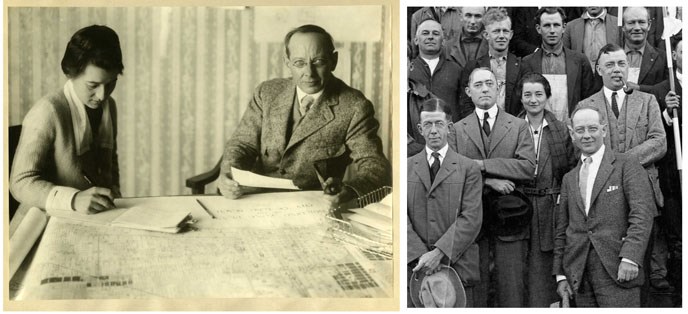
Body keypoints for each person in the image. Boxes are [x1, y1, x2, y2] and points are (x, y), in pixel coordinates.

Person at [219, 24, 390, 206]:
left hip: (313, 204)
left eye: (318, 62)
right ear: (287, 63)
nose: (309, 73)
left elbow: (375, 167)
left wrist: (347, 191)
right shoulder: (267, 92)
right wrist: (228, 175)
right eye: (299, 63)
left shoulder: (355, 106)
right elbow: (242, 144)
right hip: (254, 198)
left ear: (333, 61)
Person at [10, 25, 123, 221]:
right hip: (43, 220)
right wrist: (74, 199)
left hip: (93, 217)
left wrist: (116, 197)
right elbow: (20, 183)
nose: (102, 95)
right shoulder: (47, 111)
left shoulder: (109, 106)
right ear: (71, 73)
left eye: (111, 83)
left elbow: (110, 163)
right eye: (93, 85)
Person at [554, 106, 655, 307]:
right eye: (580, 130)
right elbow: (562, 229)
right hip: (578, 274)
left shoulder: (626, 165)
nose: (587, 135)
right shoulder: (569, 178)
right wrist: (560, 275)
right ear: (572, 134)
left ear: (604, 130)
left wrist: (630, 257)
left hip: (618, 268)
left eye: (592, 128)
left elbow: (642, 214)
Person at [453, 67, 536, 307]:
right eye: (478, 85)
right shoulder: (458, 130)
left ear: (499, 89)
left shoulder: (518, 126)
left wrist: (482, 165)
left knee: (512, 291)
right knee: (474, 293)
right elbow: (453, 175)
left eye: (490, 83)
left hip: (510, 219)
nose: (485, 89)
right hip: (472, 223)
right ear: (469, 92)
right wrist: (488, 180)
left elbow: (527, 167)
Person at [408, 98, 482, 307]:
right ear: (420, 129)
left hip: (457, 267)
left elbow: (471, 218)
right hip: (415, 268)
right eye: (428, 125)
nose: (433, 131)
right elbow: (399, 217)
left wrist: (439, 253)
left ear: (449, 128)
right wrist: (422, 257)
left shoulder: (468, 168)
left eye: (439, 124)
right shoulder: (405, 167)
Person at [516, 73, 576, 307]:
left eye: (539, 94)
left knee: (545, 264)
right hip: (520, 205)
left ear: (547, 97)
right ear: (520, 98)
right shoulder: (512, 126)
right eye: (527, 95)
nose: (533, 100)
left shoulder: (560, 129)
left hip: (551, 205)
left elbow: (570, 167)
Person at [520, 7, 596, 121]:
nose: (552, 30)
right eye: (547, 25)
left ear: (564, 27)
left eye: (556, 25)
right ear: (538, 28)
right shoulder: (527, 62)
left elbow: (589, 100)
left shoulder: (580, 61)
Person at [648, 38, 682, 291]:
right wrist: (668, 112)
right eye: (684, 52)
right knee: (675, 232)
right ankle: (680, 284)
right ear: (675, 56)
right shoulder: (663, 89)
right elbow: (657, 130)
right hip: (674, 171)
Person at [460, 7, 522, 117]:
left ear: (511, 35)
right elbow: (466, 104)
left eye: (505, 31)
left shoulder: (522, 66)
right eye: (496, 31)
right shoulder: (473, 67)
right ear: (486, 35)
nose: (501, 36)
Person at [409, 19, 464, 122]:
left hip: (449, 133)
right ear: (416, 40)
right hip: (416, 133)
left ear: (443, 41)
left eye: (435, 33)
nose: (430, 37)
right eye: (425, 33)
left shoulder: (456, 70)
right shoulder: (408, 70)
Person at [621, 7, 669, 94]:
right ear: (623, 26)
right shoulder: (609, 56)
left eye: (641, 22)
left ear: (649, 25)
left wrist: (639, 88)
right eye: (631, 23)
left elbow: (666, 91)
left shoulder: (663, 58)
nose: (637, 28)